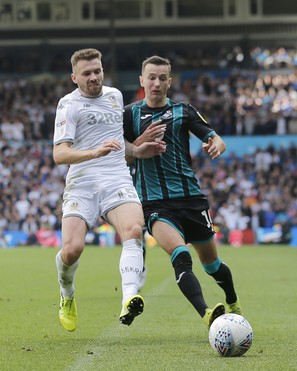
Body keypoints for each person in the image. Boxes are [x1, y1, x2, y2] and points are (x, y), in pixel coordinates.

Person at [123, 55, 242, 330]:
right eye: (151, 78)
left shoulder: (183, 111)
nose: (156, 83)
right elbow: (122, 154)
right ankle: (207, 313)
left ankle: (233, 300)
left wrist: (216, 146)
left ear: (169, 82)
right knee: (180, 255)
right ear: (142, 80)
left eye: (161, 78)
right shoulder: (129, 115)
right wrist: (138, 145)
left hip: (191, 198)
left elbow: (216, 138)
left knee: (212, 265)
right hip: (154, 204)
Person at [53, 48, 165, 332]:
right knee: (72, 249)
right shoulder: (68, 105)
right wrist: (95, 152)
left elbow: (117, 144)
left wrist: (137, 150)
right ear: (74, 77)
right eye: (87, 73)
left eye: (98, 71)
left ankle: (129, 297)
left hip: (116, 178)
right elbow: (60, 154)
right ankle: (67, 295)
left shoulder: (115, 97)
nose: (94, 77)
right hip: (83, 182)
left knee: (134, 230)